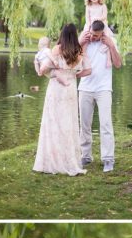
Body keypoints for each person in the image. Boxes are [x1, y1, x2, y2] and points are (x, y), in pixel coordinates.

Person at [33, 23, 90, 175]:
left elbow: (44, 69)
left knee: (53, 122)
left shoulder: (57, 50)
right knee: (68, 124)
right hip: (71, 88)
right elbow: (87, 70)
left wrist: (47, 69)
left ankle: (52, 161)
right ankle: (68, 160)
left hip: (56, 90)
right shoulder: (79, 51)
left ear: (62, 35)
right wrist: (72, 75)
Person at [78, 18, 122, 173]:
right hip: (85, 88)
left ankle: (108, 159)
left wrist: (111, 46)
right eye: (92, 34)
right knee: (84, 124)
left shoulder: (110, 41)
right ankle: (85, 156)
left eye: (96, 35)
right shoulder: (84, 40)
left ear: (102, 33)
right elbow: (72, 61)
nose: (94, 37)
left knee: (105, 124)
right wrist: (80, 42)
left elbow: (118, 64)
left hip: (104, 89)